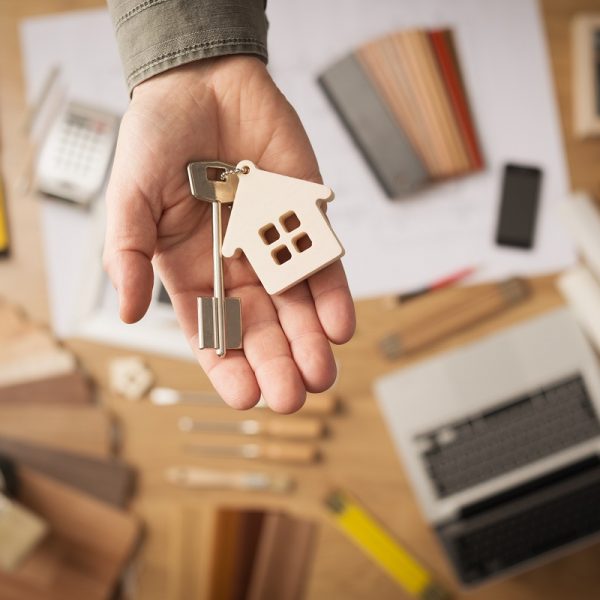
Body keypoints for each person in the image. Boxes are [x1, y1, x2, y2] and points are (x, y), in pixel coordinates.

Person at [103, 0, 356, 414]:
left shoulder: (258, 194)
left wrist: (183, 58)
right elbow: (236, 243)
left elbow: (247, 235)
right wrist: (192, 57)